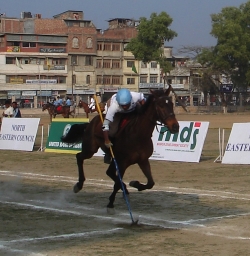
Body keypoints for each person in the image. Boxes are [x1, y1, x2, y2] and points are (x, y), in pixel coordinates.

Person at [102, 88, 146, 163]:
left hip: (133, 107)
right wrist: (106, 140)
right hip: (118, 112)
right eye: (123, 105)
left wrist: (144, 110)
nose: (125, 107)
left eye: (126, 105)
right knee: (113, 131)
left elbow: (142, 99)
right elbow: (105, 124)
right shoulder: (114, 106)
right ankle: (108, 153)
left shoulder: (135, 96)